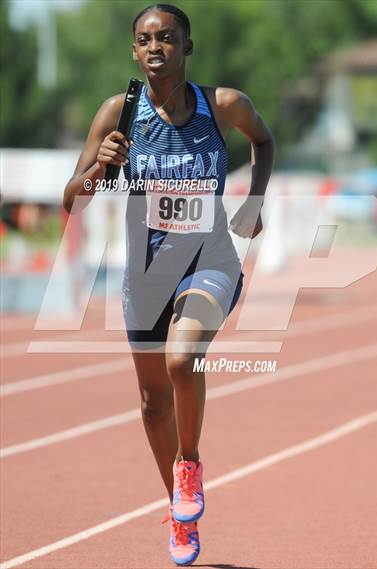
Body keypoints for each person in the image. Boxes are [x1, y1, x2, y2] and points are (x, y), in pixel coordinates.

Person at [63, 3, 275, 565]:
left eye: (167, 37)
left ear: (187, 47)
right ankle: (180, 514)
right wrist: (97, 167)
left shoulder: (222, 105)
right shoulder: (119, 112)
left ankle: (190, 463)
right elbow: (73, 201)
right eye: (144, 39)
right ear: (134, 51)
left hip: (211, 262)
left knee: (183, 362)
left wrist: (255, 199)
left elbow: (265, 141)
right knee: (153, 401)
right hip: (145, 276)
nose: (155, 47)